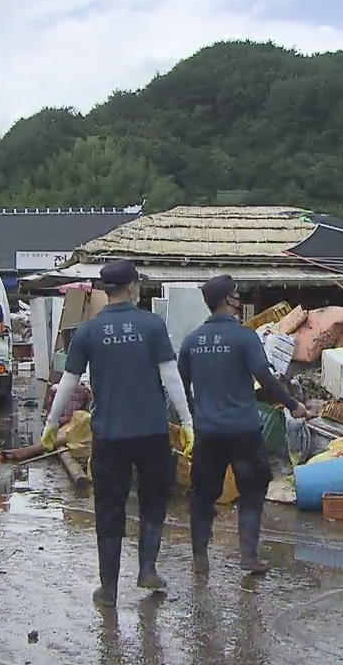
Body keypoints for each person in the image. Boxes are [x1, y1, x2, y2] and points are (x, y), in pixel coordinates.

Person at [41, 260, 192, 608]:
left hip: (109, 435)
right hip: (151, 433)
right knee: (154, 501)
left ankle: (108, 588)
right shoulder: (152, 325)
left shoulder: (89, 332)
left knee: (109, 508)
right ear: (134, 286)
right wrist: (187, 423)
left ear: (104, 289)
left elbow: (68, 382)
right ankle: (147, 570)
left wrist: (51, 425)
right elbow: (171, 378)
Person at [178, 275, 308, 575]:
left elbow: (181, 386)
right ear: (227, 300)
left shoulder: (192, 341)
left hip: (208, 432)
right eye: (236, 294)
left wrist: (195, 415)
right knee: (251, 491)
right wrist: (293, 405)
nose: (240, 298)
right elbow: (265, 377)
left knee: (202, 495)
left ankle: (200, 558)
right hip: (243, 432)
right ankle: (248, 558)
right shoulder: (244, 337)